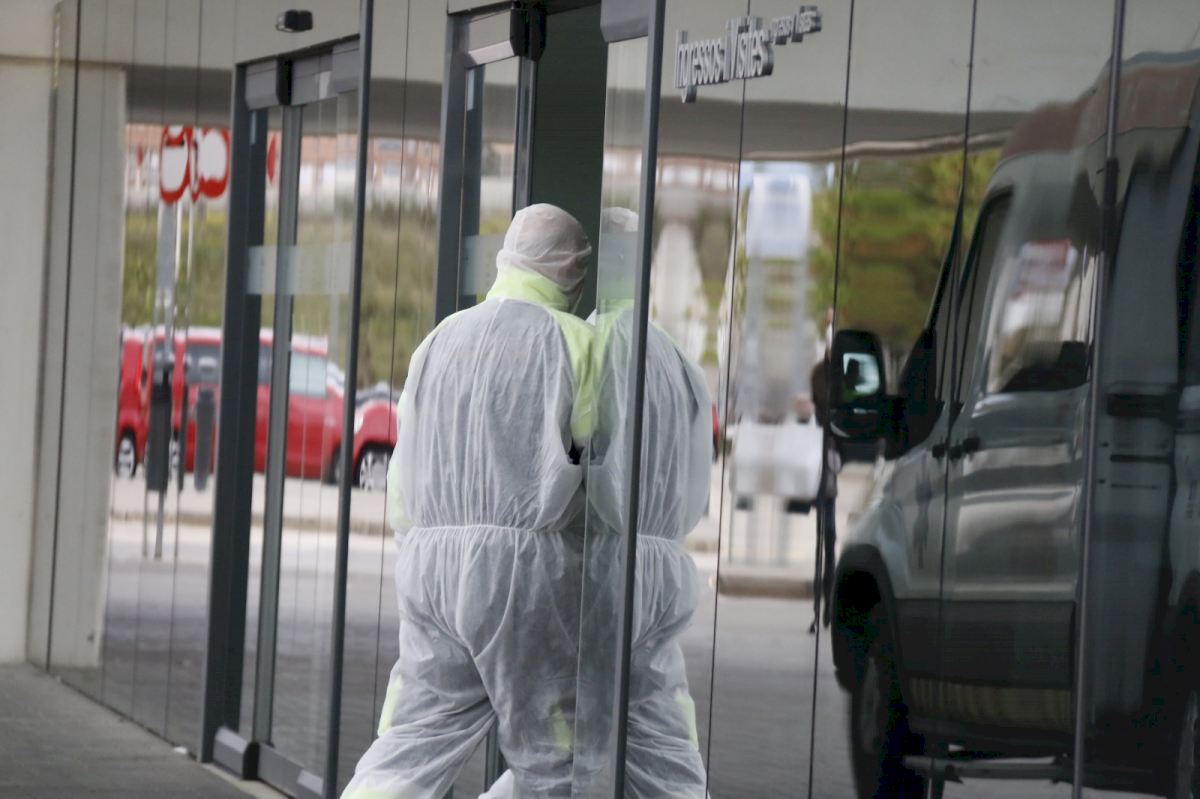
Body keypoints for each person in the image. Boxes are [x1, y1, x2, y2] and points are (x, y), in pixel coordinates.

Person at [342, 204, 595, 799]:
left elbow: (402, 475)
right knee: (560, 757)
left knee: (412, 743)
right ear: (572, 270)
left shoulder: (438, 340)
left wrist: (420, 552)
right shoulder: (576, 344)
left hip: (428, 568)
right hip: (524, 574)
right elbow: (603, 471)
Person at [570, 207, 710, 798]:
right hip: (661, 573)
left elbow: (569, 461)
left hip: (600, 566)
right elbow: (697, 482)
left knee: (563, 754)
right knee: (664, 746)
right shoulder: (676, 360)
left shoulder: (584, 346)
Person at [809, 355, 841, 634]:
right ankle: (824, 605)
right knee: (828, 542)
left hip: (819, 476)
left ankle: (822, 607)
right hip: (824, 475)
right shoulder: (831, 381)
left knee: (824, 542)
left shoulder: (820, 378)